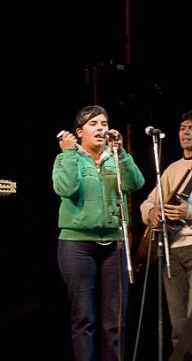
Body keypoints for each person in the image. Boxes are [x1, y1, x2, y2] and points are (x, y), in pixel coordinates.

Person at [53, 105, 145, 361]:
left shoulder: (115, 156)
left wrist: (122, 153)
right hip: (77, 246)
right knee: (84, 318)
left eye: (104, 123)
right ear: (79, 131)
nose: (101, 128)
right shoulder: (66, 158)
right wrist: (70, 154)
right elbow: (66, 188)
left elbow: (135, 183)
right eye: (94, 124)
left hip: (115, 243)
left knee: (115, 320)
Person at [139, 110, 192, 348]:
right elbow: (148, 202)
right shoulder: (172, 169)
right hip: (171, 253)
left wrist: (188, 213)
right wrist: (151, 212)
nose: (187, 133)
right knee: (178, 326)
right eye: (183, 128)